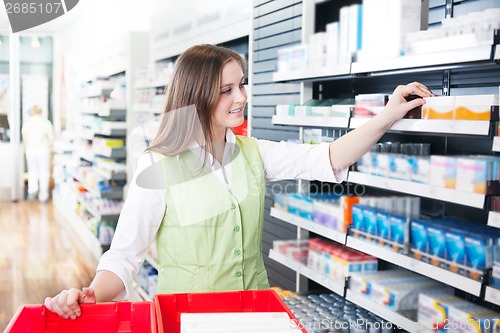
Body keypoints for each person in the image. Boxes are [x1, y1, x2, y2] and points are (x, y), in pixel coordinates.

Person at [44, 44, 432, 320]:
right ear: (196, 96)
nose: (241, 97)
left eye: (241, 84)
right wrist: (93, 292)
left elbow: (327, 158)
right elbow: (125, 256)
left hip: (252, 316)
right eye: (227, 90)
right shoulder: (159, 165)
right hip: (187, 321)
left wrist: (388, 115)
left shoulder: (252, 152)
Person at [22, 105, 55, 203]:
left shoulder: (27, 123)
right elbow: (51, 138)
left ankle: (32, 191)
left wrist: (25, 148)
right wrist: (50, 146)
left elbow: (25, 139)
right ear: (41, 111)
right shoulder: (46, 122)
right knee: (44, 172)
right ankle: (43, 195)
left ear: (32, 112)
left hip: (31, 150)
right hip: (43, 150)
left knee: (32, 171)